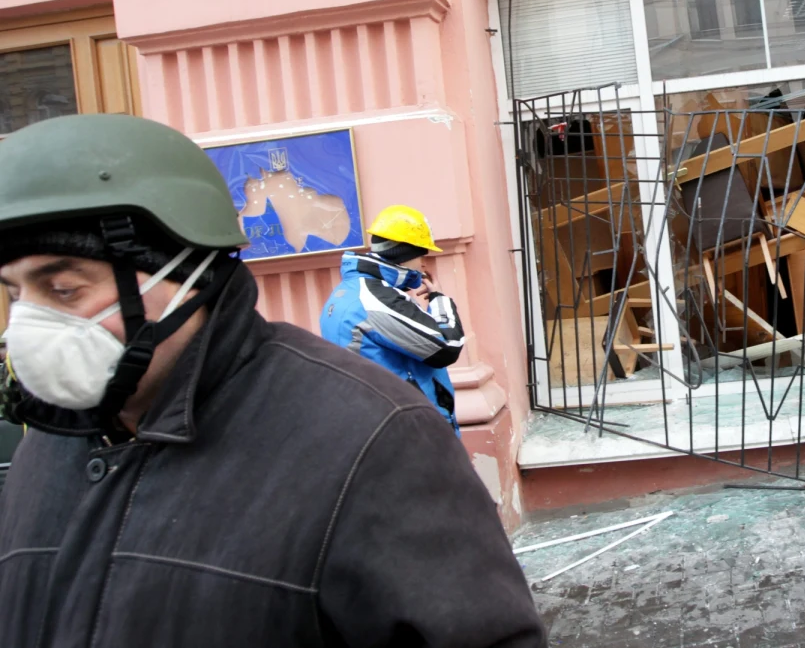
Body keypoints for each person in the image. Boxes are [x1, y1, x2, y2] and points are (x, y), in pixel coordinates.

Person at [0, 114, 545, 648]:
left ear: (189, 273)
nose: (28, 324)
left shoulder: (374, 441)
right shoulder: (46, 447)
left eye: (65, 290)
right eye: (15, 294)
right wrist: (441, 303)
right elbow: (444, 343)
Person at [321, 205, 464, 434]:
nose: (423, 264)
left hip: (378, 427)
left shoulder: (347, 292)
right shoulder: (375, 299)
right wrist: (439, 299)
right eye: (421, 255)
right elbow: (448, 346)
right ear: (405, 255)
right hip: (411, 434)